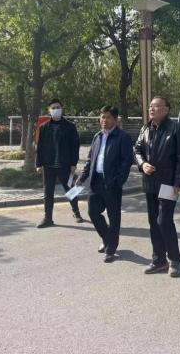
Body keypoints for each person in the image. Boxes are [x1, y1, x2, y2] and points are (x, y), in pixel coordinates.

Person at [134, 96, 180, 277]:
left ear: (166, 109)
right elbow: (137, 149)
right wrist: (142, 164)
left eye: (156, 106)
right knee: (153, 221)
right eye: (150, 106)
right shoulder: (145, 128)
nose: (152, 109)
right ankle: (159, 260)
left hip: (168, 183)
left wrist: (179, 182)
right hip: (150, 182)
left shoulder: (176, 129)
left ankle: (174, 259)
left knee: (164, 221)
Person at [77, 106, 133, 263]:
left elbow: (127, 162)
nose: (104, 120)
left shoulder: (123, 137)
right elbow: (90, 159)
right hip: (96, 181)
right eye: (102, 117)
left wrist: (118, 181)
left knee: (113, 216)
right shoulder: (98, 136)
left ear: (115, 119)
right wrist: (82, 177)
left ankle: (111, 249)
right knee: (93, 212)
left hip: (112, 183)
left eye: (108, 117)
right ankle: (107, 239)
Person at [35, 98, 84, 228]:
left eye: (58, 107)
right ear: (49, 110)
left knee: (71, 190)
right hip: (49, 165)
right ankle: (48, 218)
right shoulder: (44, 127)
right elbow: (40, 147)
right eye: (53, 108)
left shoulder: (70, 126)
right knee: (48, 193)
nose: (56, 110)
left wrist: (73, 163)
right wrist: (38, 164)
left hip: (65, 165)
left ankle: (77, 213)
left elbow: (75, 146)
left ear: (62, 109)